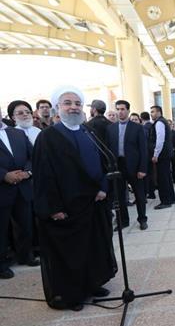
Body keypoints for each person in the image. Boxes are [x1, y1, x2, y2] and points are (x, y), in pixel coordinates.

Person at [32, 86, 117, 311]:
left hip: (94, 202)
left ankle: (93, 284)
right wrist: (53, 207)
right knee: (72, 253)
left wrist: (103, 188)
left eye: (77, 103)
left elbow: (103, 163)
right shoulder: (48, 136)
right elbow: (43, 175)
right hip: (67, 206)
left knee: (93, 247)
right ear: (58, 108)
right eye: (68, 103)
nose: (73, 107)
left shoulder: (88, 131)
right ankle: (73, 294)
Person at [0, 107, 39, 279]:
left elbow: (33, 156)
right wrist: (4, 175)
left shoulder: (17, 133)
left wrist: (27, 173)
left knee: (25, 224)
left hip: (23, 187)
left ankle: (25, 255)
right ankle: (1, 264)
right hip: (2, 188)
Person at [106, 100, 148, 231]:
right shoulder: (111, 128)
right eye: (118, 109)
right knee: (119, 196)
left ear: (128, 111)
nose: (120, 112)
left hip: (134, 167)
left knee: (139, 195)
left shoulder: (137, 128)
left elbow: (143, 149)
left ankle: (142, 219)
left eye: (123, 109)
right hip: (117, 166)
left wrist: (142, 169)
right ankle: (123, 221)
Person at [149, 106, 175, 209]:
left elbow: (160, 140)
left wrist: (156, 154)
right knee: (167, 177)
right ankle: (171, 198)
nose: (151, 114)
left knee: (162, 178)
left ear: (159, 112)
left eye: (153, 112)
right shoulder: (163, 121)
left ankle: (165, 201)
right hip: (166, 154)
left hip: (162, 155)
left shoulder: (159, 123)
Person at [140, 111, 155, 199]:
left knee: (147, 174)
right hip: (152, 152)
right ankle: (151, 192)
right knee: (151, 173)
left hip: (147, 154)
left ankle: (148, 192)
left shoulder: (144, 128)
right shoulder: (153, 125)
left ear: (141, 119)